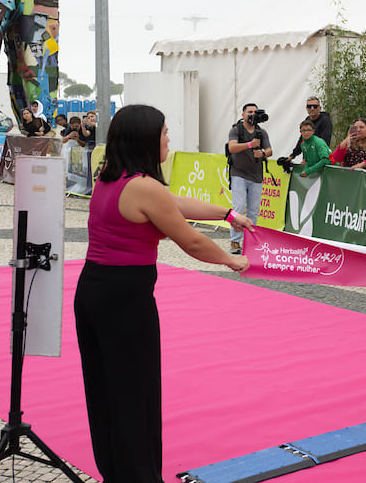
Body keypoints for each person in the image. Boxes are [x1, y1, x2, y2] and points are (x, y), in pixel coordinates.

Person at [73, 103, 252, 483]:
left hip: (94, 292)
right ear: (145, 139)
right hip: (124, 301)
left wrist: (227, 214)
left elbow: (175, 204)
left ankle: (118, 471)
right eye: (165, 132)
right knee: (135, 394)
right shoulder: (143, 186)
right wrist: (232, 260)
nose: (169, 138)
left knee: (106, 391)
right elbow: (189, 240)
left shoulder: (111, 177)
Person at [226, 103, 272, 254]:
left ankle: (250, 241)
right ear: (243, 115)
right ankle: (234, 241)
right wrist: (249, 145)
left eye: (254, 111)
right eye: (249, 112)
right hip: (238, 173)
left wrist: (263, 154)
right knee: (238, 207)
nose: (252, 114)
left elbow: (270, 150)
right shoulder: (236, 129)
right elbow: (231, 148)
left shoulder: (261, 132)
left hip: (256, 175)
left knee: (253, 211)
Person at [279, 97, 333, 169]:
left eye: (315, 106)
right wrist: (292, 156)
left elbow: (324, 143)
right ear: (306, 108)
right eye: (309, 106)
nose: (312, 108)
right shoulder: (308, 119)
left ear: (319, 108)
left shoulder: (325, 121)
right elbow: (301, 140)